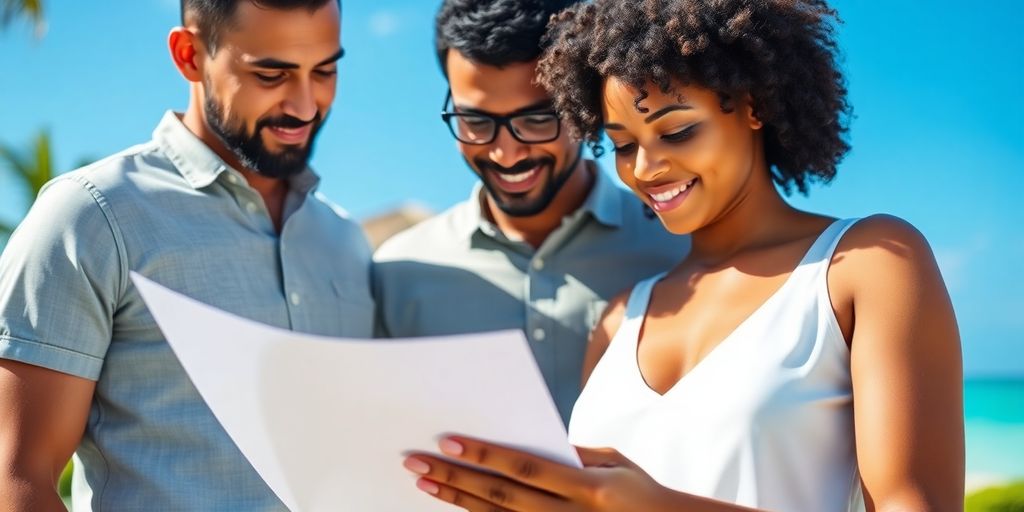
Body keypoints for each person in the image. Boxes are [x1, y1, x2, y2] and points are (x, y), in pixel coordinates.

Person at [402, 0, 965, 510]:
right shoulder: (621, 318)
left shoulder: (866, 263)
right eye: (623, 145)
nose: (645, 169)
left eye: (677, 132)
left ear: (752, 106)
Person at [0, 1, 373, 510]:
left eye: (325, 70)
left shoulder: (345, 241)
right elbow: (17, 476)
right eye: (271, 74)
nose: (306, 105)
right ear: (190, 54)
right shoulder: (93, 217)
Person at [373, 0, 689, 425]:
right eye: (476, 122)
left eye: (538, 119)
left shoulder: (682, 250)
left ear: (584, 106)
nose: (506, 153)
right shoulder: (397, 274)